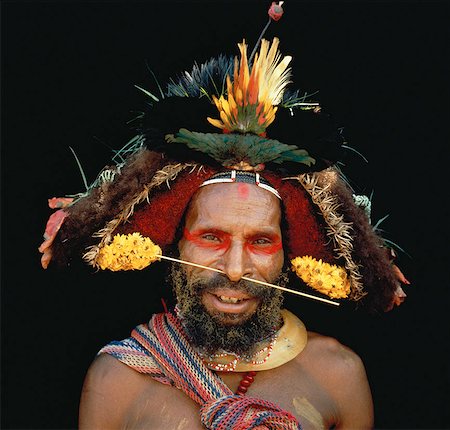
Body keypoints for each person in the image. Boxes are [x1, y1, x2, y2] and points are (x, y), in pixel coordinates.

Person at [38, 6, 408, 428]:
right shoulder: (116, 381)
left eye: (261, 241)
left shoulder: (339, 376)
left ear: (288, 250)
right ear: (176, 239)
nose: (235, 271)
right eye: (212, 237)